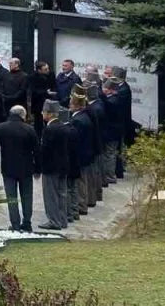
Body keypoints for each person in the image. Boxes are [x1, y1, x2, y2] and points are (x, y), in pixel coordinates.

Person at [0, 104, 39, 233]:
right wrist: (38, 169)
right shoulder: (29, 129)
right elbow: (37, 151)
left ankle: (15, 224)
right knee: (27, 196)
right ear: (23, 115)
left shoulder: (1, 128)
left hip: (8, 169)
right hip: (26, 169)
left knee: (12, 198)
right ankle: (27, 222)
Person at [38, 100, 71, 230]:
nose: (42, 113)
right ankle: (62, 220)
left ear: (50, 114)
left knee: (51, 195)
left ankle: (53, 221)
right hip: (63, 166)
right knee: (62, 194)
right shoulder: (63, 127)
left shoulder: (50, 129)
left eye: (44, 111)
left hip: (51, 167)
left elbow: (45, 150)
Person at [68, 85, 95, 218]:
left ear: (77, 106)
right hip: (86, 153)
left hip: (81, 154)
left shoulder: (78, 120)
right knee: (83, 180)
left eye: (71, 104)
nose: (69, 106)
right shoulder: (84, 116)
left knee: (80, 181)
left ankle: (81, 205)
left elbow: (76, 140)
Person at [100, 78, 124, 186]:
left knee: (109, 154)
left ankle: (109, 176)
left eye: (104, 88)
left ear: (110, 90)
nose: (103, 90)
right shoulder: (116, 99)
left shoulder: (112, 101)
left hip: (111, 132)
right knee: (110, 153)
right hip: (113, 131)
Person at [30, 61, 54, 137]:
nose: (48, 70)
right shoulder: (33, 77)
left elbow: (53, 85)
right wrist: (46, 92)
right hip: (38, 104)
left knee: (49, 122)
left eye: (48, 68)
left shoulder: (51, 74)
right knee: (38, 124)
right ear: (39, 70)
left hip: (49, 102)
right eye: (45, 69)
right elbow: (33, 91)